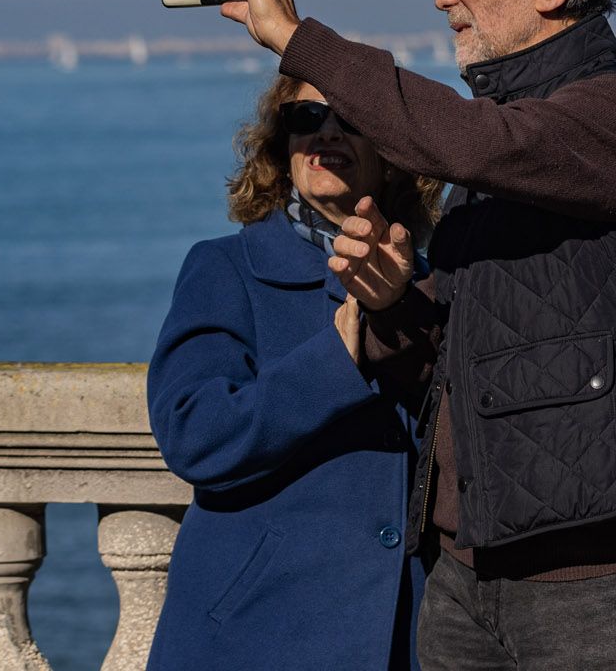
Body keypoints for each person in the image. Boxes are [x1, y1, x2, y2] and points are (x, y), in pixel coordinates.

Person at [212, 0, 616, 670]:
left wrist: (293, 36)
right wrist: (388, 305)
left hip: (594, 588)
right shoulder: (506, 141)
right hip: (463, 575)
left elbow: (471, 140)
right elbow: (459, 349)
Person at [145, 75, 441, 671]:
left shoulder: (435, 286)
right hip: (258, 634)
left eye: (351, 115)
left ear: (390, 149)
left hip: (405, 636)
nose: (327, 130)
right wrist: (334, 362)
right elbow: (193, 434)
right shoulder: (226, 269)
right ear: (283, 146)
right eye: (305, 117)